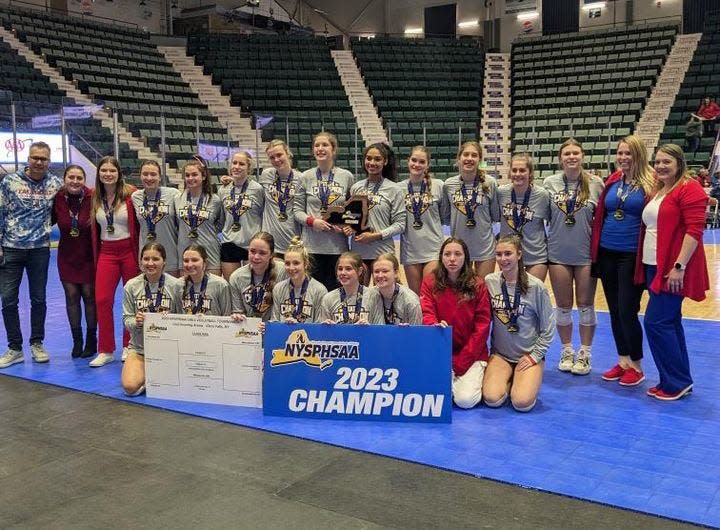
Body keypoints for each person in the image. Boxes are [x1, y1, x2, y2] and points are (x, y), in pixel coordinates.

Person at [638, 144, 709, 400]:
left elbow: (694, 231)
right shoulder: (660, 190)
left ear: (679, 163)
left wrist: (679, 267)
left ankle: (676, 382)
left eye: (666, 161)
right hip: (652, 265)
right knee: (670, 322)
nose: (660, 166)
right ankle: (677, 380)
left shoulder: (690, 188)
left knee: (656, 322)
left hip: (671, 268)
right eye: (657, 162)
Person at [591, 135, 655, 383]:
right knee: (615, 310)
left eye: (628, 153)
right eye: (620, 153)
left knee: (628, 309)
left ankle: (636, 366)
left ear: (638, 155)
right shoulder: (614, 180)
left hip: (631, 255)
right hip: (607, 252)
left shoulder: (651, 183)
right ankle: (622, 360)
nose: (623, 158)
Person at [543, 139, 604, 375]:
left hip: (586, 255)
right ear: (560, 158)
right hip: (558, 254)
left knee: (586, 305)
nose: (571, 156)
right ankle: (567, 350)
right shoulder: (550, 183)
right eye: (566, 153)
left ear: (582, 155)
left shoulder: (596, 183)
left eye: (575, 152)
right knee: (564, 306)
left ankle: (585, 353)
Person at [0, 142, 62, 368]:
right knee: (8, 300)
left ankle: (37, 343)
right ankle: (15, 348)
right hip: (10, 248)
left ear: (49, 161)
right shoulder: (9, 182)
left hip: (39, 249)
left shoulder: (56, 184)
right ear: (28, 158)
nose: (38, 162)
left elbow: (60, 211)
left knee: (39, 299)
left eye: (43, 159)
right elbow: (0, 211)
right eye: (35, 157)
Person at [482, 235, 555, 412]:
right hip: (501, 354)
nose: (503, 259)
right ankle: (510, 379)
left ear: (519, 254)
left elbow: (548, 328)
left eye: (508, 253)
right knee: (492, 399)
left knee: (522, 403)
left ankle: (523, 379)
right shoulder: (490, 281)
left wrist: (534, 356)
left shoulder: (535, 286)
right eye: (499, 254)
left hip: (528, 355)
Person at [420, 237, 491, 409]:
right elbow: (426, 313)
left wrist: (461, 362)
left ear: (465, 258)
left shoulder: (478, 285)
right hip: (441, 351)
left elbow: (482, 327)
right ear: (441, 257)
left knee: (465, 401)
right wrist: (433, 326)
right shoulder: (430, 282)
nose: (452, 259)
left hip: (471, 353)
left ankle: (475, 377)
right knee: (433, 395)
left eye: (457, 254)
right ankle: (451, 381)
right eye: (447, 254)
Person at [89, 156, 140, 368]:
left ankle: (130, 345)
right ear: (99, 173)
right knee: (102, 299)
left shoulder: (132, 194)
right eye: (104, 171)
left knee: (132, 300)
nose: (107, 174)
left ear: (119, 174)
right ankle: (106, 349)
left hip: (128, 249)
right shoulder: (94, 197)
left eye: (112, 170)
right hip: (107, 252)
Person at [293, 132, 354, 291]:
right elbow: (297, 211)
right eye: (317, 145)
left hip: (337, 248)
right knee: (312, 294)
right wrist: (313, 222)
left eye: (325, 145)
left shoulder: (346, 176)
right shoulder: (305, 177)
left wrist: (349, 226)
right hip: (312, 248)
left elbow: (353, 211)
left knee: (337, 294)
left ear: (333, 150)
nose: (320, 148)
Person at [121, 243, 182, 397]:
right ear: (140, 261)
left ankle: (154, 374)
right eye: (146, 259)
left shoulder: (176, 285)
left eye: (155, 259)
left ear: (164, 261)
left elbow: (183, 320)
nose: (150, 263)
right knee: (130, 387)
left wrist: (171, 320)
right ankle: (148, 372)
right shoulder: (131, 286)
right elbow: (126, 319)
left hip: (169, 349)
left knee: (177, 387)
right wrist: (136, 321)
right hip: (140, 348)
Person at [53, 165, 96, 358]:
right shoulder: (57, 198)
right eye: (71, 177)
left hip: (88, 255)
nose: (75, 181)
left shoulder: (92, 197)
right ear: (64, 178)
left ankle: (91, 339)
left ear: (84, 180)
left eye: (79, 178)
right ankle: (77, 340)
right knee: (71, 295)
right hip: (67, 255)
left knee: (88, 295)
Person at [347, 143, 405, 283]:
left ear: (385, 162)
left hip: (383, 252)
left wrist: (375, 236)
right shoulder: (356, 187)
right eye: (369, 158)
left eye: (377, 159)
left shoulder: (394, 189)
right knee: (359, 297)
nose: (372, 163)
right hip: (359, 252)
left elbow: (400, 224)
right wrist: (348, 227)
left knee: (387, 297)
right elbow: (351, 218)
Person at [443, 141, 497, 279]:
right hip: (459, 250)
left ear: (479, 159)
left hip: (484, 248)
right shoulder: (449, 185)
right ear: (459, 158)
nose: (469, 158)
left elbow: (495, 215)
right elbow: (446, 217)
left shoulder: (490, 183)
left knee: (483, 293)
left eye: (474, 155)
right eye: (466, 154)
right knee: (460, 294)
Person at [398, 146, 448, 295]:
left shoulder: (438, 185)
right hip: (410, 249)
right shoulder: (398, 188)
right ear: (408, 161)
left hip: (433, 248)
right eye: (414, 160)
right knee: (415, 296)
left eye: (421, 161)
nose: (417, 164)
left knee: (430, 295)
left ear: (428, 165)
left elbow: (444, 215)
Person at [494, 153, 551, 281]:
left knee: (531, 297)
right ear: (509, 172)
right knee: (511, 297)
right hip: (507, 256)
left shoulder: (542, 195)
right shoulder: (501, 193)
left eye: (522, 170)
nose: (518, 174)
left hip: (535, 256)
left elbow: (554, 219)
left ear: (530, 173)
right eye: (514, 170)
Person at [218, 151, 264, 280]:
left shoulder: (257, 189)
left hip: (252, 244)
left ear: (249, 169)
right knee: (232, 287)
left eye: (242, 164)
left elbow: (262, 214)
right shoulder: (223, 190)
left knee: (252, 287)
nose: (237, 166)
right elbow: (222, 218)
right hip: (229, 243)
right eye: (234, 163)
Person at [175, 156, 224, 276]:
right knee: (187, 292)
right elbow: (176, 225)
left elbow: (221, 224)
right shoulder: (177, 199)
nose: (190, 178)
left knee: (211, 292)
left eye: (194, 174)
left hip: (210, 253)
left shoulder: (215, 200)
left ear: (203, 176)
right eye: (187, 175)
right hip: (186, 254)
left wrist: (205, 231)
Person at [131, 160, 180, 275]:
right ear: (140, 176)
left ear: (160, 177)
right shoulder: (135, 196)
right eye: (145, 174)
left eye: (153, 174)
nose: (149, 178)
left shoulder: (173, 194)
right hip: (147, 259)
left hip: (170, 257)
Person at [229, 231, 287, 322]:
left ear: (271, 254)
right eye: (252, 251)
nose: (256, 257)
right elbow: (238, 311)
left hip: (275, 327)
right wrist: (237, 317)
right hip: (249, 330)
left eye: (262, 253)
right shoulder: (236, 277)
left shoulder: (283, 271)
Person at [259, 140, 302, 257]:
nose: (276, 160)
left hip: (294, 242)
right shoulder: (266, 175)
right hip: (270, 244)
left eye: (279, 155)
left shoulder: (301, 179)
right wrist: (232, 181)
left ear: (288, 154)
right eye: (272, 157)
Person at [271, 237, 327, 323]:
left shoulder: (319, 290)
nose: (291, 268)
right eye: (287, 263)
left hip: (309, 336)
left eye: (296, 263)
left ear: (306, 264)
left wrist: (299, 327)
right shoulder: (278, 289)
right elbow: (274, 321)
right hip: (284, 335)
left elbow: (319, 327)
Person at [320, 251, 384, 324]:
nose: (343, 273)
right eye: (340, 269)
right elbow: (322, 333)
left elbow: (380, 329)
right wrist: (327, 328)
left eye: (348, 269)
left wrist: (368, 329)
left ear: (359, 271)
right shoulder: (328, 298)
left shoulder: (373, 296)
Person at [179, 244, 231, 316]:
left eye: (195, 260)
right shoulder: (178, 285)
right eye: (186, 261)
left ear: (205, 262)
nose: (190, 264)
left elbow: (227, 316)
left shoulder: (220, 284)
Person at [372, 252, 421, 325]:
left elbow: (417, 333)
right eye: (376, 271)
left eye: (385, 271)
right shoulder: (368, 296)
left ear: (396, 273)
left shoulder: (411, 301)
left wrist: (406, 333)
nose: (380, 275)